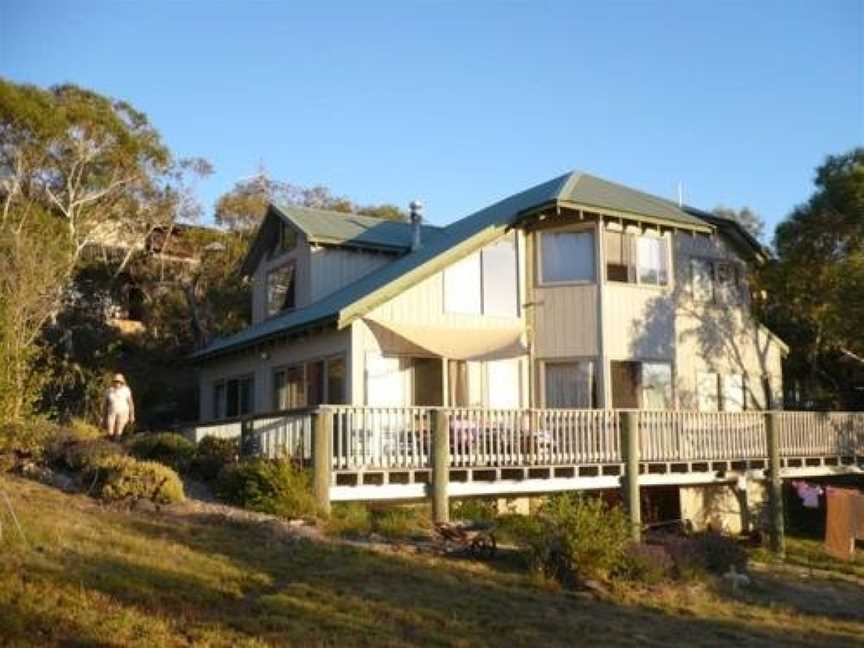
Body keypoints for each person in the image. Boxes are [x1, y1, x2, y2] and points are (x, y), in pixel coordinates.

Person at [104, 373, 135, 438]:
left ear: (122, 382)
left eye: (118, 381)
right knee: (110, 432)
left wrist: (132, 415)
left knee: (118, 432)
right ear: (113, 382)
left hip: (123, 412)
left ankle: (116, 444)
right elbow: (106, 404)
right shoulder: (109, 390)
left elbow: (131, 403)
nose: (117, 383)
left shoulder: (126, 390)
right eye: (116, 381)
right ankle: (111, 442)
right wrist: (104, 415)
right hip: (111, 412)